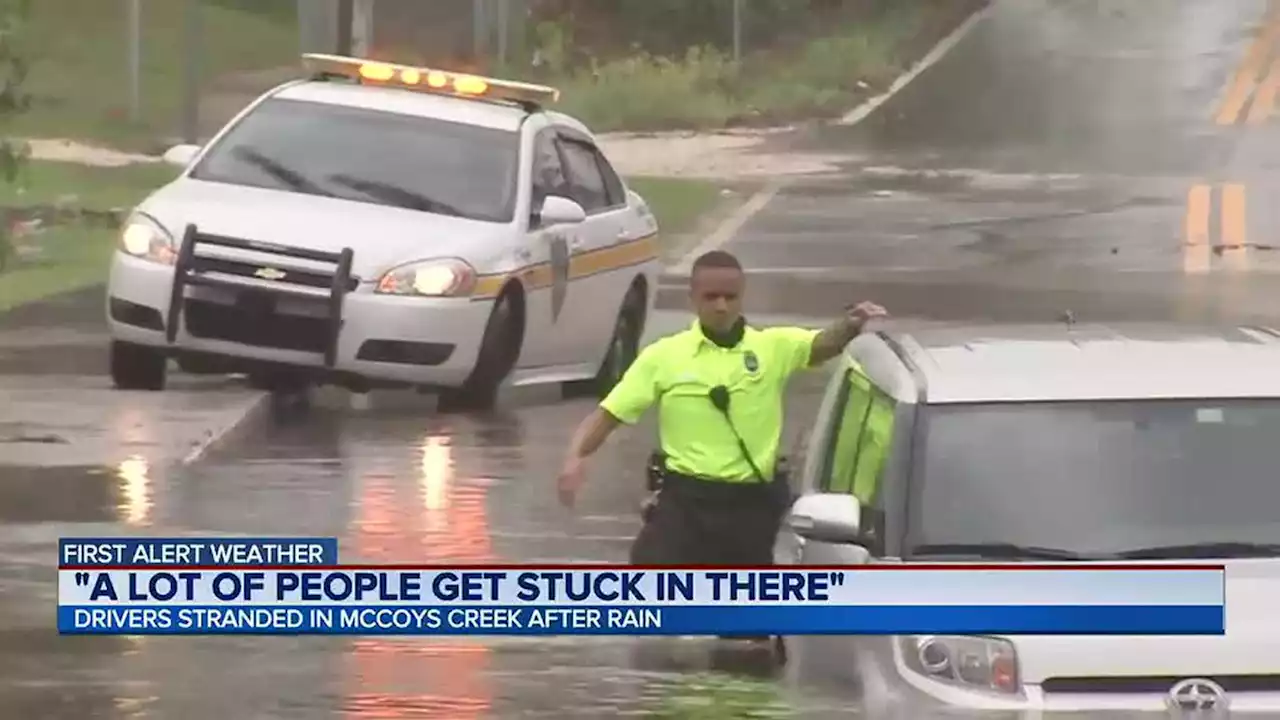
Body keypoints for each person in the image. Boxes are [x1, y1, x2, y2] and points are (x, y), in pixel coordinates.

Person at [557, 249, 888, 572]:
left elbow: (820, 345)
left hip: (749, 508)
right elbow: (608, 415)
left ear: (741, 297)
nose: (721, 305)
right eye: (711, 297)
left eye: (730, 297)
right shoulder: (665, 356)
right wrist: (576, 457)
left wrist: (850, 325)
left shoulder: (772, 348)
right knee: (650, 586)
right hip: (686, 503)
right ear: (694, 298)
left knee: (745, 615)